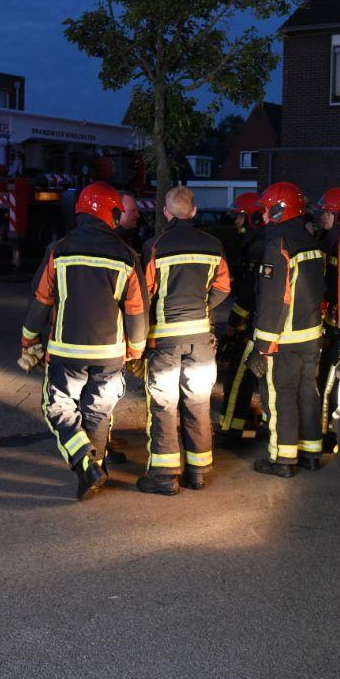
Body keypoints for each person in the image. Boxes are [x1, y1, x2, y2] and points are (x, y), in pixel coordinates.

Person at [21, 181, 148, 501]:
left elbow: (41, 298)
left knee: (58, 407)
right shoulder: (127, 255)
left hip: (66, 350)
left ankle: (85, 464)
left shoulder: (60, 250)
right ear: (110, 213)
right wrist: (136, 348)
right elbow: (136, 309)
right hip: (110, 353)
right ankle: (96, 470)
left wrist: (29, 338)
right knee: (98, 411)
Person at [135, 186, 232, 496]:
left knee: (164, 405)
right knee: (198, 402)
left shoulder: (154, 246)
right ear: (194, 211)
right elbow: (223, 287)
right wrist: (204, 306)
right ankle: (199, 472)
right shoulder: (213, 245)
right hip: (201, 338)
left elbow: (144, 294)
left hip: (164, 339)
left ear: (166, 213)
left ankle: (164, 476)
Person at [246, 182, 327, 478]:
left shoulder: (278, 245)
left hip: (285, 340)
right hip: (312, 337)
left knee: (281, 398)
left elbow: (273, 299)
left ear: (281, 211)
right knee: (308, 395)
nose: (265, 216)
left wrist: (262, 347)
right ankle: (311, 453)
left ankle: (282, 460)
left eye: (268, 210)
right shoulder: (313, 243)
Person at [217, 191, 266, 443]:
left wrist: (231, 327)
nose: (236, 222)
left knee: (238, 378)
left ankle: (230, 431)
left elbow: (247, 297)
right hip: (265, 323)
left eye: (240, 217)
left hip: (253, 326)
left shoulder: (257, 249)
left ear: (253, 218)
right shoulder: (261, 243)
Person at [314, 186, 340, 445]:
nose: (323, 217)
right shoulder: (331, 241)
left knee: (329, 380)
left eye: (328, 213)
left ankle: (323, 433)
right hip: (331, 322)